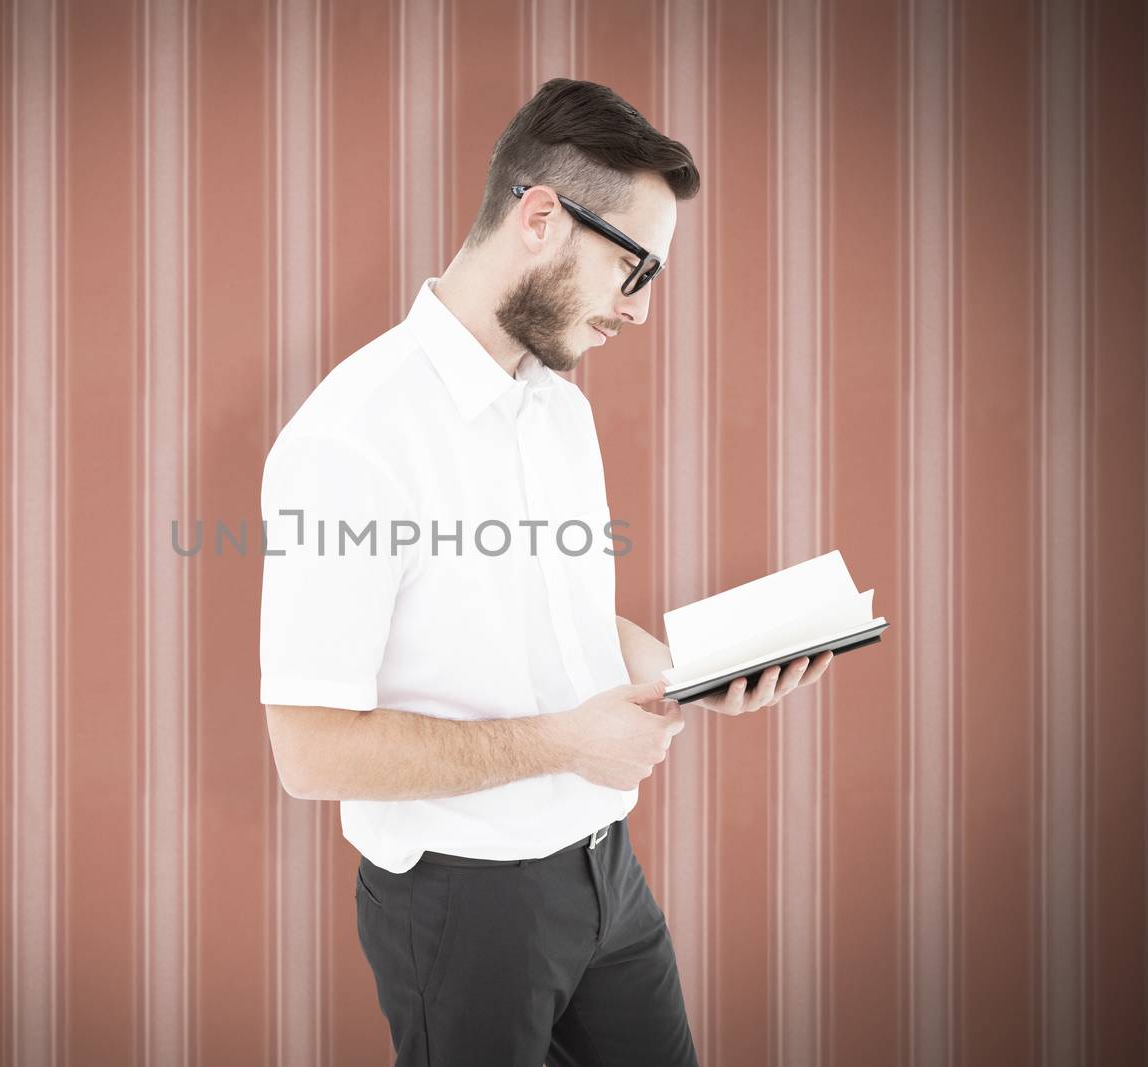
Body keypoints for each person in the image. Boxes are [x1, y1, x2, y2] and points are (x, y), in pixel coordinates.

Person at [257, 77, 832, 1067]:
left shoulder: (557, 405)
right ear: (538, 217)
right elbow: (309, 750)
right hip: (464, 904)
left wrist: (693, 669)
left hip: (607, 876)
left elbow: (566, 614)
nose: (639, 311)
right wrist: (569, 740)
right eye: (632, 268)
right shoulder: (349, 440)